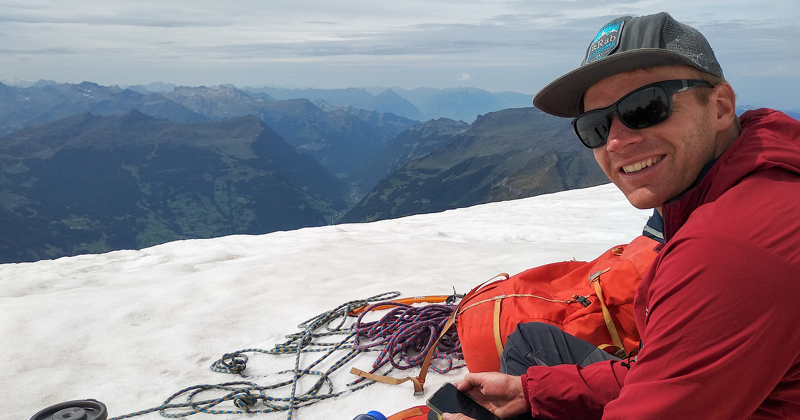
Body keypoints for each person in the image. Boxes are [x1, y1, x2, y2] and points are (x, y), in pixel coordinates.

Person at [443, 12, 800, 420]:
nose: (616, 141)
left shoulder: (727, 250)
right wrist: (532, 392)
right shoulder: (761, 180)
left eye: (646, 106)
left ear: (719, 107)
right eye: (595, 126)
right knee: (532, 345)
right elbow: (668, 374)